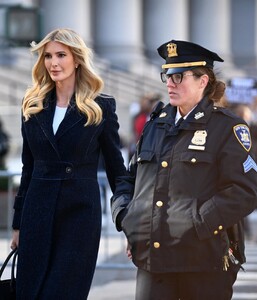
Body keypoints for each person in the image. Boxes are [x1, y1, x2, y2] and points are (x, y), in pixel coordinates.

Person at [111, 39, 257, 300]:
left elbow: (245, 190)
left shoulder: (226, 127)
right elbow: (130, 179)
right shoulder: (156, 124)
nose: (169, 82)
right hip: (152, 261)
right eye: (167, 75)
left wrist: (196, 224)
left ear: (203, 81)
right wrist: (127, 218)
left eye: (179, 76)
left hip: (202, 260)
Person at [10, 28, 127, 299]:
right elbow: (29, 168)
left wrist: (128, 218)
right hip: (37, 214)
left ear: (77, 59)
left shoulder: (100, 107)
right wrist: (18, 224)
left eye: (61, 55)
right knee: (32, 291)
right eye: (48, 56)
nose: (53, 62)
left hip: (79, 217)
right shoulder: (33, 104)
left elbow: (116, 168)